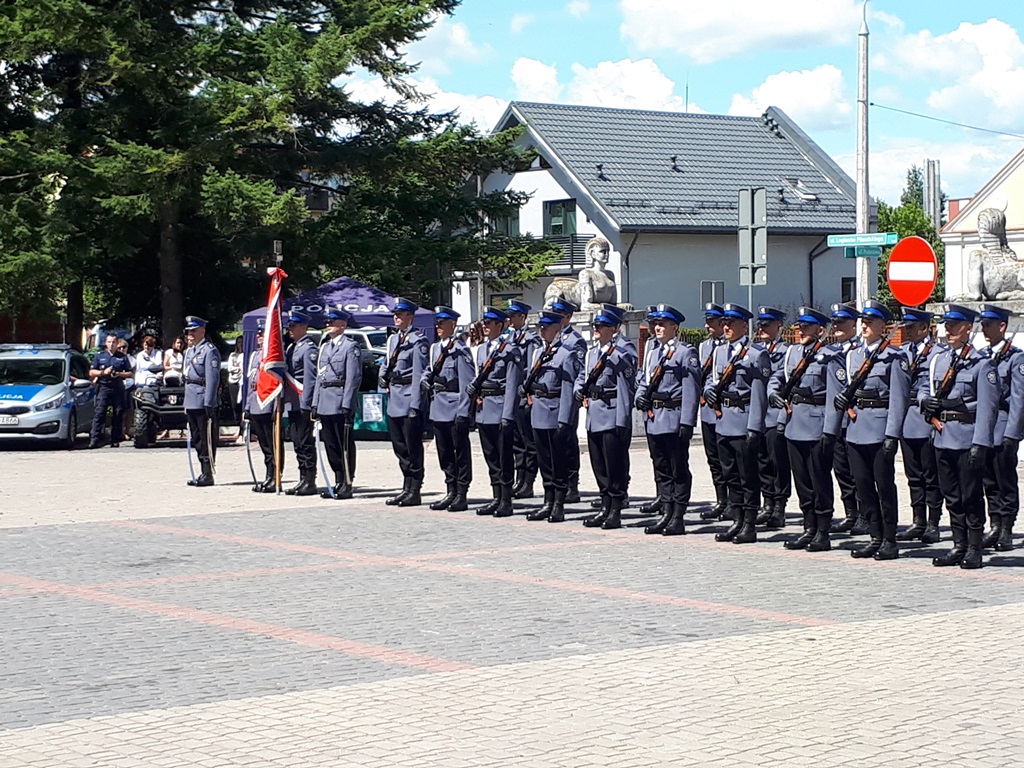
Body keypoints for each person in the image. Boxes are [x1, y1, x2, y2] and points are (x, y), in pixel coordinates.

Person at [923, 304, 997, 569]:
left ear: (968, 328)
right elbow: (924, 387)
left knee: (971, 495)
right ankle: (959, 544)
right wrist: (925, 402)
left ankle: (975, 547)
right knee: (951, 494)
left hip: (967, 438)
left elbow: (988, 408)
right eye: (947, 325)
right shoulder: (939, 360)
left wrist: (980, 443)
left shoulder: (982, 364)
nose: (948, 330)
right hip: (942, 436)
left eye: (954, 325)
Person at [834, 299, 909, 561]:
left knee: (884, 486)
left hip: (879, 429)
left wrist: (891, 435)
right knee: (863, 486)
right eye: (862, 321)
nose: (864, 326)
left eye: (870, 322)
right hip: (856, 429)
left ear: (882, 326)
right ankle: (874, 536)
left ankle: (890, 539)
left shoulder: (894, 357)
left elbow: (899, 399)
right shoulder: (853, 355)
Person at [769, 307, 839, 551]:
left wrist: (829, 431)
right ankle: (808, 527)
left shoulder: (830, 356)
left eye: (806, 327)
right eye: (799, 326)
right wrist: (773, 393)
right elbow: (778, 377)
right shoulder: (792, 353)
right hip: (793, 423)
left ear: (820, 330)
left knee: (819, 480)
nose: (800, 331)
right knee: (802, 482)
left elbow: (834, 395)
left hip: (816, 424)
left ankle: (823, 530)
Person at [703, 303, 769, 544]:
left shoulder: (756, 354)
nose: (727, 327)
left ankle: (749, 524)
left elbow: (759, 394)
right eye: (725, 323)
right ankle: (737, 518)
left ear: (744, 325)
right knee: (730, 474)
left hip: (743, 421)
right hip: (724, 421)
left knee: (747, 476)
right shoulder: (720, 352)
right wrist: (711, 392)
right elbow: (713, 380)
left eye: (732, 323)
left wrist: (754, 427)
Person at [634, 304, 700, 535]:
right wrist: (640, 398)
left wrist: (687, 422)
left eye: (663, 324)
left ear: (675, 327)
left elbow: (691, 389)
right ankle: (666, 511)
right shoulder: (652, 351)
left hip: (673, 417)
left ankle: (678, 516)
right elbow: (644, 380)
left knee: (678, 468)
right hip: (654, 418)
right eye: (655, 324)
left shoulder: (685, 352)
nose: (657, 327)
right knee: (661, 467)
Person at [576, 304, 638, 530]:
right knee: (599, 464)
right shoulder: (593, 352)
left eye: (601, 326)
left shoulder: (623, 352)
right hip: (594, 414)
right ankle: (604, 505)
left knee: (614, 466)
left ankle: (615, 509)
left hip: (612, 414)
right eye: (596, 325)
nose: (597, 329)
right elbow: (583, 377)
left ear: (614, 328)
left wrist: (622, 420)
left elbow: (626, 387)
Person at [523, 310, 580, 522]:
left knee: (558, 461)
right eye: (541, 327)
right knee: (544, 460)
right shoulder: (538, 353)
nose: (542, 330)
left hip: (555, 413)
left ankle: (558, 503)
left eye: (546, 327)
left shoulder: (567, 354)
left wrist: (565, 419)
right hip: (539, 412)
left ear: (557, 329)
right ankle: (547, 501)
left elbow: (567, 388)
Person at [896, 307, 945, 544]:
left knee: (930, 474)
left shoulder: (937, 353)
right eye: (905, 326)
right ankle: (918, 520)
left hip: (925, 418)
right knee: (913, 474)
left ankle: (934, 522)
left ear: (924, 328)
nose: (907, 330)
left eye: (911, 327)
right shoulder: (902, 352)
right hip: (906, 419)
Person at [468, 305, 522, 517]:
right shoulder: (482, 349)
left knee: (504, 457)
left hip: (500, 408)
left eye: (489, 323)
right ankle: (496, 496)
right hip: (484, 409)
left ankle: (506, 500)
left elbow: (511, 384)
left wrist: (508, 414)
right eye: (484, 323)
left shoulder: (510, 351)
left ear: (500, 325)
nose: (485, 327)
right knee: (491, 456)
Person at [978, 303, 1024, 552]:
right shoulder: (983, 357)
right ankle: (994, 524)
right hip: (985, 429)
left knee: (1005, 480)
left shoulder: (1015, 358)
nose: (984, 329)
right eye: (982, 324)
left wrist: (1012, 434)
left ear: (1002, 326)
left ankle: (1006, 527)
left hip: (1004, 427)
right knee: (988, 480)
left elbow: (1018, 399)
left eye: (988, 324)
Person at [422, 306, 474, 512]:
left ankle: (461, 492)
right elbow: (429, 369)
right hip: (438, 406)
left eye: (442, 324)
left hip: (454, 406)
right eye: (437, 324)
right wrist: (425, 379)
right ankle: (450, 489)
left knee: (460, 452)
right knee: (444, 452)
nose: (438, 327)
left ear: (452, 325)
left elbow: (466, 383)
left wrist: (463, 412)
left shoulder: (461, 350)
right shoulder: (436, 348)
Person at [379, 297, 429, 507]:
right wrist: (382, 381)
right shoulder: (393, 340)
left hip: (409, 397)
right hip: (395, 398)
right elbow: (386, 363)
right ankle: (405, 486)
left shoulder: (418, 341)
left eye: (400, 314)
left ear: (411, 316)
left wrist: (416, 405)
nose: (396, 318)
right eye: (395, 314)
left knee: (412, 447)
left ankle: (415, 489)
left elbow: (419, 374)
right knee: (399, 447)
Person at [312, 305, 362, 500]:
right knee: (331, 444)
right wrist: (315, 402)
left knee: (344, 444)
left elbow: (353, 377)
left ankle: (347, 481)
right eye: (327, 322)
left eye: (332, 322)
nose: (328, 325)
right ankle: (338, 479)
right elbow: (319, 376)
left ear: (342, 325)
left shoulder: (350, 346)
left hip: (340, 398)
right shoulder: (324, 347)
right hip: (325, 398)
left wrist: (348, 403)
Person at [826, 303, 866, 535]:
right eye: (835, 323)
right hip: (837, 420)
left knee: (857, 471)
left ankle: (864, 514)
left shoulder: (861, 351)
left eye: (842, 322)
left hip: (855, 420)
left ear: (854, 324)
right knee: (841, 470)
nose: (837, 327)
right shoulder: (830, 351)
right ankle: (850, 513)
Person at [754, 306, 791, 530]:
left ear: (779, 327)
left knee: (778, 463)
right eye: (761, 324)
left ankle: (779, 507)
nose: (762, 328)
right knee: (762, 461)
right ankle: (767, 504)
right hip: (758, 415)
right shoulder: (755, 350)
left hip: (776, 413)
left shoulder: (787, 352)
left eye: (767, 325)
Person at [549, 296, 588, 503]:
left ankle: (572, 484)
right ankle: (557, 483)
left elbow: (581, 371)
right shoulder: (550, 339)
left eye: (559, 315)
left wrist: (577, 393)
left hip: (568, 398)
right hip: (551, 400)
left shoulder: (576, 340)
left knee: (568, 442)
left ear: (567, 317)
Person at [245, 321, 285, 493]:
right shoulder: (255, 355)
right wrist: (246, 406)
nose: (259, 337)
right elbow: (250, 383)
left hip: (268, 403)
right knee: (263, 443)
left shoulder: (272, 357)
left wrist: (279, 403)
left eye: (262, 334)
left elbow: (278, 380)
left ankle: (275, 475)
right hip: (255, 403)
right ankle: (268, 475)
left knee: (272, 442)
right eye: (258, 334)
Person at [698, 303, 729, 521]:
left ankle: (733, 501)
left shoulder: (731, 348)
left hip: (725, 411)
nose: (708, 325)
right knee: (713, 459)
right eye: (707, 321)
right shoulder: (703, 347)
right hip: (707, 410)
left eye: (712, 322)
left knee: (727, 457)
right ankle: (721, 500)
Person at [508, 300, 541, 500]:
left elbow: (531, 369)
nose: (510, 319)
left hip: (524, 397)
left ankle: (528, 482)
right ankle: (519, 480)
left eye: (513, 316)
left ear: (522, 317)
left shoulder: (531, 340)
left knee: (529, 443)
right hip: (512, 398)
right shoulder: (511, 339)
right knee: (516, 442)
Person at [283, 309, 319, 496]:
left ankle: (310, 479)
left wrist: (307, 404)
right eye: (290, 325)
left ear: (304, 327)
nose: (290, 328)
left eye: (294, 325)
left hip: (302, 401)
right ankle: (302, 477)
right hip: (293, 402)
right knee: (297, 441)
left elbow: (310, 379)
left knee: (305, 442)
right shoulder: (291, 348)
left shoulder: (308, 348)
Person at [183, 316, 221, 487]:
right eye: (188, 331)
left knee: (206, 437)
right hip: (191, 398)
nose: (189, 334)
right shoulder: (190, 351)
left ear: (202, 331)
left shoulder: (209, 350)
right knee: (196, 437)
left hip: (202, 397)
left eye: (193, 330)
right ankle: (201, 470)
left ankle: (208, 472)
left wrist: (209, 401)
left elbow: (212, 378)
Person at [88, 333, 133, 448]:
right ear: (106, 343)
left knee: (118, 413)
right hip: (103, 387)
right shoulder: (100, 356)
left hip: (117, 387)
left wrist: (118, 374)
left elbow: (130, 373)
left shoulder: (122, 357)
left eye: (113, 342)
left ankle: (115, 439)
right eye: (109, 342)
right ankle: (94, 439)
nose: (111, 344)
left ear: (117, 343)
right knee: (100, 413)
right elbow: (91, 372)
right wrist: (103, 373)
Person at [227, 337, 245, 424]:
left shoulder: (246, 355)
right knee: (234, 404)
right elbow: (230, 368)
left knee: (241, 403)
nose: (240, 344)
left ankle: (242, 424)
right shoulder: (232, 355)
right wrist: (238, 368)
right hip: (233, 381)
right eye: (239, 342)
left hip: (242, 381)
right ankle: (237, 421)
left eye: (242, 342)